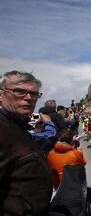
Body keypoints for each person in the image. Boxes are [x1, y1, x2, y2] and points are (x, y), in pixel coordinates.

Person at [0, 70, 53, 216]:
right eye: (19, 91)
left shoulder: (18, 125)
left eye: (34, 94)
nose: (29, 98)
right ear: (1, 95)